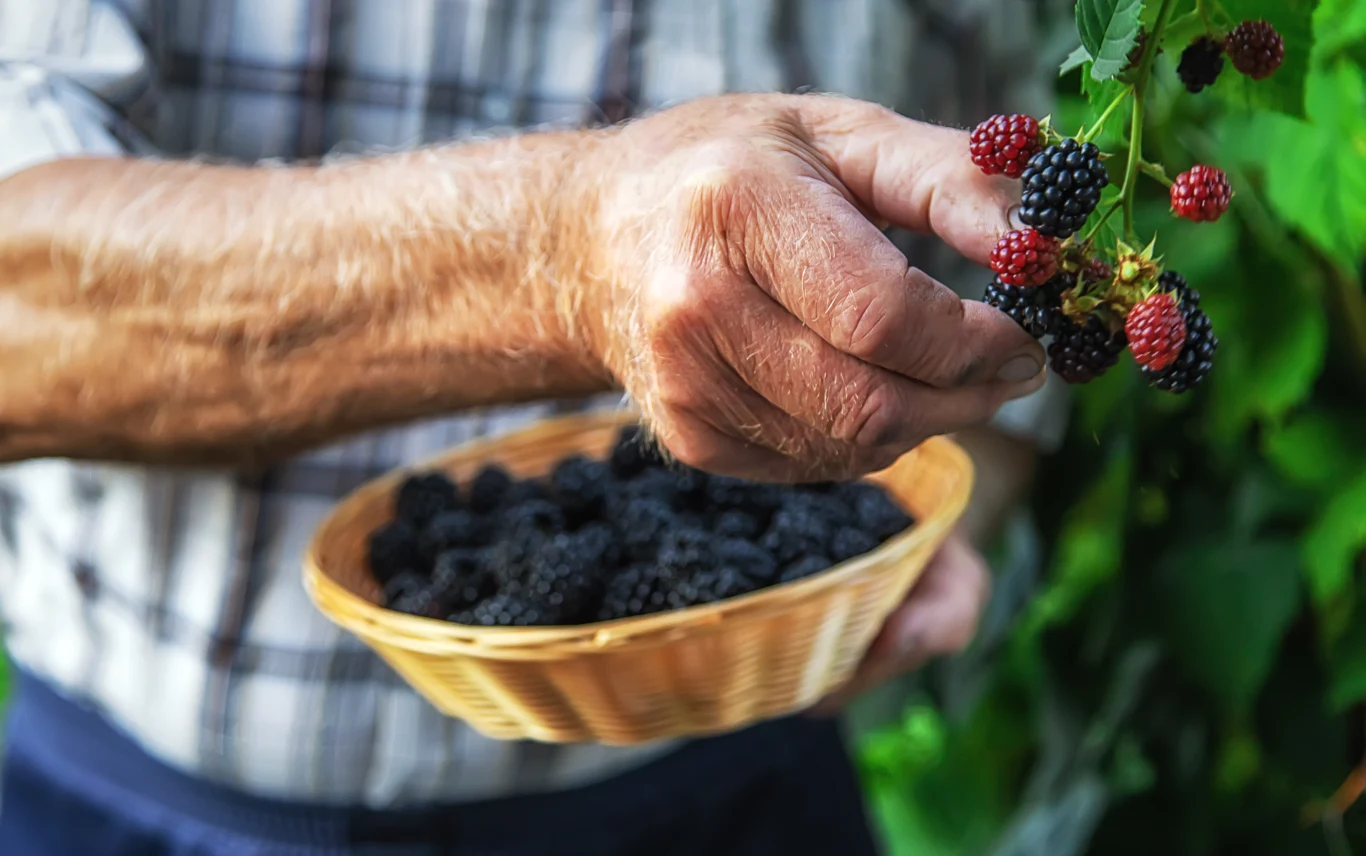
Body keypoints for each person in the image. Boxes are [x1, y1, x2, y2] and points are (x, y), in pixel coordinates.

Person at [0, 0, 1068, 853]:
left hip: (741, 784)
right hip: (157, 808)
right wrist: (559, 257)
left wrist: (929, 513)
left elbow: (1005, 265)